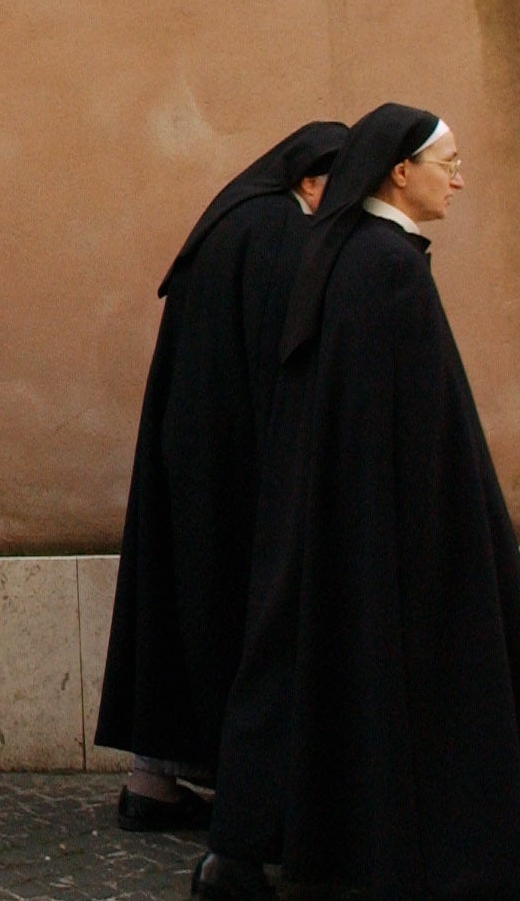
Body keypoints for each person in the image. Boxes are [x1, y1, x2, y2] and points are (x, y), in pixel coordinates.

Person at [196, 104, 520, 901]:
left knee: (303, 679)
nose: (459, 180)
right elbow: (416, 432)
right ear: (400, 171)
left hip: (348, 530)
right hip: (412, 536)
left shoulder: (344, 254)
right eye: (449, 163)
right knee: (477, 695)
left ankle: (242, 858)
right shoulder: (387, 267)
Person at [92, 121, 348, 832]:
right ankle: (250, 797)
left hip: (191, 456)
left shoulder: (232, 221)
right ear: (310, 181)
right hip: (238, 465)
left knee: (178, 610)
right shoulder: (279, 232)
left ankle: (153, 783)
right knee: (235, 620)